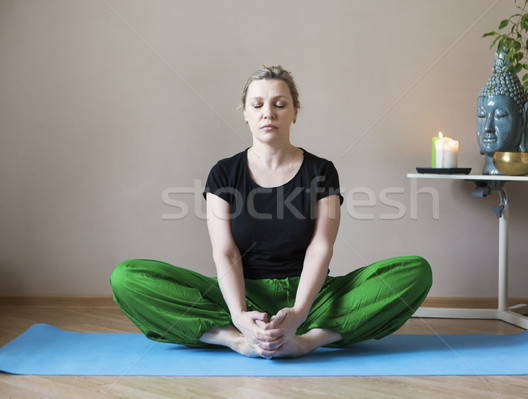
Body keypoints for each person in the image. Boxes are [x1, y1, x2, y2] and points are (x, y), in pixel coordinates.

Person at [110, 65, 432, 358]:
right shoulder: (223, 173)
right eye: (258, 105)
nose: (269, 113)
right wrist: (238, 315)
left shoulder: (322, 171)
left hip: (312, 295)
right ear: (245, 114)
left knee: (415, 272)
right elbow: (224, 251)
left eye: (279, 104)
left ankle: (307, 340)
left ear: (294, 112)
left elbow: (321, 247)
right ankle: (236, 339)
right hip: (241, 293)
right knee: (127, 277)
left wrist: (300, 311)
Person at [476, 48, 528, 174]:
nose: (487, 127)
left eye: (500, 115)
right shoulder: (487, 128)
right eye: (482, 116)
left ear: (525, 118)